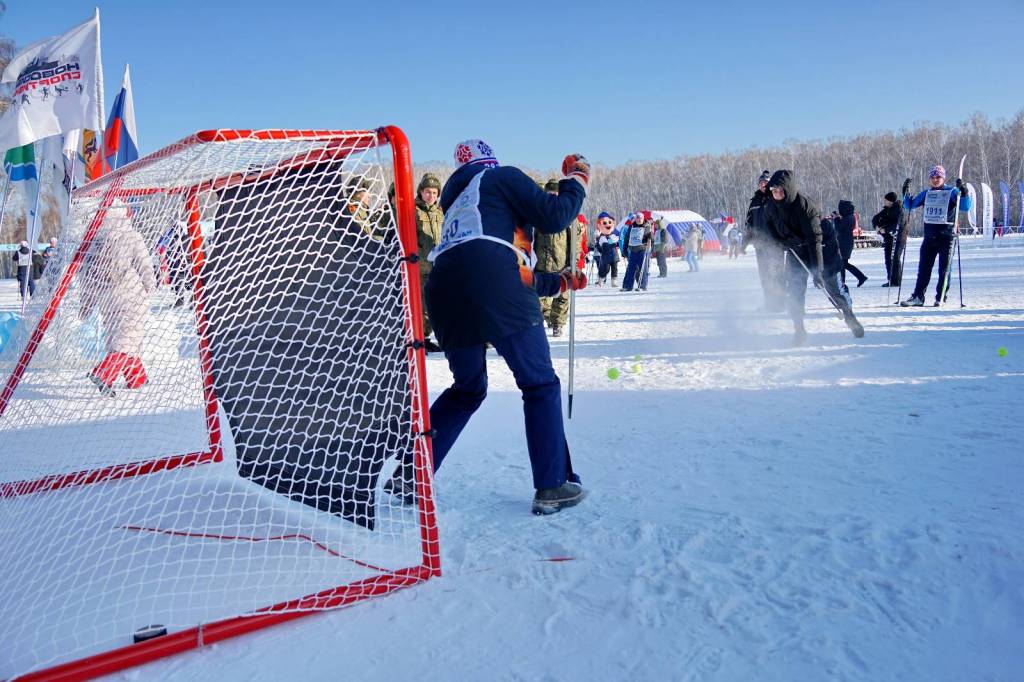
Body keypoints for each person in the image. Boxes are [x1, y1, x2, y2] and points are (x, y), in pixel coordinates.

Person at [399, 139, 589, 515]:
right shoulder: (501, 178)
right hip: (492, 285)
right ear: (491, 161)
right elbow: (554, 216)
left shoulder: (460, 207)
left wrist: (562, 282)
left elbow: (500, 267)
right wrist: (576, 179)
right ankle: (552, 486)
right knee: (539, 383)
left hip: (444, 291)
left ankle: (412, 476)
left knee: (467, 390)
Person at [763, 170, 864, 345]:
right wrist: (781, 242)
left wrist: (818, 271)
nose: (777, 194)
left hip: (822, 247)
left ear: (789, 190)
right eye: (774, 191)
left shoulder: (805, 207)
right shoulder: (771, 206)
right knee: (795, 291)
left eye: (780, 191)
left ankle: (849, 315)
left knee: (833, 288)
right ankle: (799, 330)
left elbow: (814, 239)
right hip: (797, 249)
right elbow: (770, 226)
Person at [78, 202, 157, 397]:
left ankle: (136, 376)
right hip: (130, 294)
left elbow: (86, 275)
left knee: (119, 336)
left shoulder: (94, 240)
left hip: (105, 298)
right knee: (129, 336)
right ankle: (103, 374)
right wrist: (150, 285)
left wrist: (86, 304)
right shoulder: (130, 234)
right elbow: (144, 263)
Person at [899, 165, 972, 307]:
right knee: (923, 269)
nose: (935, 179)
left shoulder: (951, 191)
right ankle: (918, 297)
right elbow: (909, 205)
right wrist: (905, 193)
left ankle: (941, 297)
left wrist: (964, 193)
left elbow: (965, 206)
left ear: (943, 178)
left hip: (947, 237)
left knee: (944, 269)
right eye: (932, 177)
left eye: (938, 177)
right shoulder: (926, 193)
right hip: (929, 237)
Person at [535, 179, 586, 336]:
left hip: (562, 263)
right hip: (541, 263)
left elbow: (575, 242)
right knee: (539, 298)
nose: (552, 197)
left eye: (555, 194)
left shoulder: (567, 217)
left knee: (562, 297)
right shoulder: (538, 215)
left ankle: (558, 323)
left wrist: (574, 262)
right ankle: (547, 317)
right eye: (549, 194)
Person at [745, 170, 785, 311]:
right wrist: (745, 242)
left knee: (777, 274)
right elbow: (749, 223)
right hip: (760, 245)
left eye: (765, 183)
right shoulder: (754, 201)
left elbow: (784, 219)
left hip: (775, 244)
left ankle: (780, 304)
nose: (763, 185)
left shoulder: (775, 197)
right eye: (761, 183)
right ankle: (769, 302)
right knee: (765, 275)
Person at [414, 173, 445, 352]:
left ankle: (443, 337)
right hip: (421, 267)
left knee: (442, 304)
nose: (431, 196)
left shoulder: (440, 212)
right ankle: (422, 340)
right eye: (427, 192)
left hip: (439, 267)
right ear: (421, 191)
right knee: (423, 306)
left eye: (434, 192)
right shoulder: (413, 210)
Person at [871, 191, 903, 286]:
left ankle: (896, 281)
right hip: (888, 238)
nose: (884, 202)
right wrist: (876, 226)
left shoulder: (898, 209)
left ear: (890, 201)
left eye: (886, 200)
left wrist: (887, 229)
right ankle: (891, 279)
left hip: (897, 237)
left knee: (894, 258)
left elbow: (898, 224)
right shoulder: (886, 209)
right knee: (888, 259)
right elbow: (875, 218)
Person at [836, 200, 868, 289]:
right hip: (846, 242)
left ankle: (859, 277)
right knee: (843, 263)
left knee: (843, 263)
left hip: (844, 243)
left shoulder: (847, 218)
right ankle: (844, 281)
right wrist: (838, 218)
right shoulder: (850, 217)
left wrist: (836, 219)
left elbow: (839, 228)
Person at [621, 210, 652, 291]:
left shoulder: (646, 226)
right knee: (631, 269)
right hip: (633, 251)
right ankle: (628, 286)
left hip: (642, 250)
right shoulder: (631, 227)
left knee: (643, 269)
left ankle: (643, 286)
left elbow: (650, 237)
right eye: (637, 218)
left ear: (643, 219)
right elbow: (626, 238)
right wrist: (624, 250)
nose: (639, 220)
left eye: (640, 218)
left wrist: (650, 236)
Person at [593, 211, 620, 286]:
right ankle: (601, 278)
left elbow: (617, 242)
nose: (607, 225)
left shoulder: (613, 235)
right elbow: (598, 245)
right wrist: (600, 249)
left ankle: (614, 281)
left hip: (614, 255)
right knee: (606, 269)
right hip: (605, 257)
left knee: (615, 269)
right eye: (604, 223)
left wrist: (618, 243)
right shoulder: (601, 237)